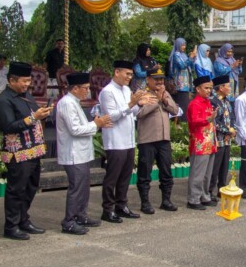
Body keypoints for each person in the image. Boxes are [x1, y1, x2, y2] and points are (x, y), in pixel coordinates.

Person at [0, 62, 52, 240]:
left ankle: (23, 219)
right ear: (12, 80)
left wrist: (43, 113)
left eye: (29, 81)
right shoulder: (3, 100)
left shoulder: (26, 96)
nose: (27, 84)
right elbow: (8, 126)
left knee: (31, 187)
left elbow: (34, 115)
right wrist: (34, 117)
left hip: (33, 150)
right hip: (17, 153)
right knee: (16, 189)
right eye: (24, 81)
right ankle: (11, 226)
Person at [99, 60, 156, 224]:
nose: (130, 77)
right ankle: (107, 209)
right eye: (127, 74)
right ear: (117, 72)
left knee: (125, 176)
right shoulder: (107, 92)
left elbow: (131, 113)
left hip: (128, 139)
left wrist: (139, 104)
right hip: (115, 140)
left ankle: (121, 205)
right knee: (113, 177)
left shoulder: (126, 90)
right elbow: (111, 116)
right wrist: (132, 103)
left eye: (131, 74)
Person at [56, 72, 112, 235]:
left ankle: (81, 215)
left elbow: (80, 126)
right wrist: (96, 124)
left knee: (83, 187)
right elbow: (74, 130)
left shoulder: (74, 102)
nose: (87, 91)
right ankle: (69, 221)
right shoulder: (67, 103)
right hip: (73, 153)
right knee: (77, 187)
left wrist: (96, 124)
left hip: (81, 152)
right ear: (75, 88)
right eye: (85, 88)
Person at [136, 67, 179, 214]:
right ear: (148, 80)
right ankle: (145, 202)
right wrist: (156, 102)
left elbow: (175, 110)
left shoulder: (165, 93)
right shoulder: (141, 94)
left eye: (162, 79)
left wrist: (165, 100)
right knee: (145, 172)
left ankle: (166, 200)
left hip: (163, 139)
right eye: (156, 79)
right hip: (147, 139)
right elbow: (139, 114)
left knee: (166, 171)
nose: (160, 82)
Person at [186, 76, 218, 210]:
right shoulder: (194, 104)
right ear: (198, 89)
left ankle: (205, 196)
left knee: (207, 173)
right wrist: (208, 119)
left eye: (210, 88)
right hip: (199, 143)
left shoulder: (208, 102)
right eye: (206, 88)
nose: (209, 90)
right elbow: (193, 122)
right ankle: (193, 199)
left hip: (210, 142)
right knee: (197, 173)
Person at [208, 75, 236, 202]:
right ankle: (210, 191)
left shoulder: (227, 101)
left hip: (227, 139)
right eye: (227, 86)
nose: (229, 88)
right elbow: (215, 121)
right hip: (217, 139)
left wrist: (232, 130)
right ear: (220, 88)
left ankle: (222, 189)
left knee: (225, 166)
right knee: (215, 167)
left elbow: (232, 117)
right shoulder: (213, 101)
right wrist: (227, 130)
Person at [169, 38, 195, 119]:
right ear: (178, 45)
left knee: (186, 104)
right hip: (180, 84)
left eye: (185, 45)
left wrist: (193, 58)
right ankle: (181, 122)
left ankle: (184, 122)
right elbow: (182, 65)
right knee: (182, 104)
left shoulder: (183, 55)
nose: (184, 47)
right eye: (182, 45)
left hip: (186, 83)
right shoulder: (176, 55)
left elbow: (191, 67)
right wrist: (190, 58)